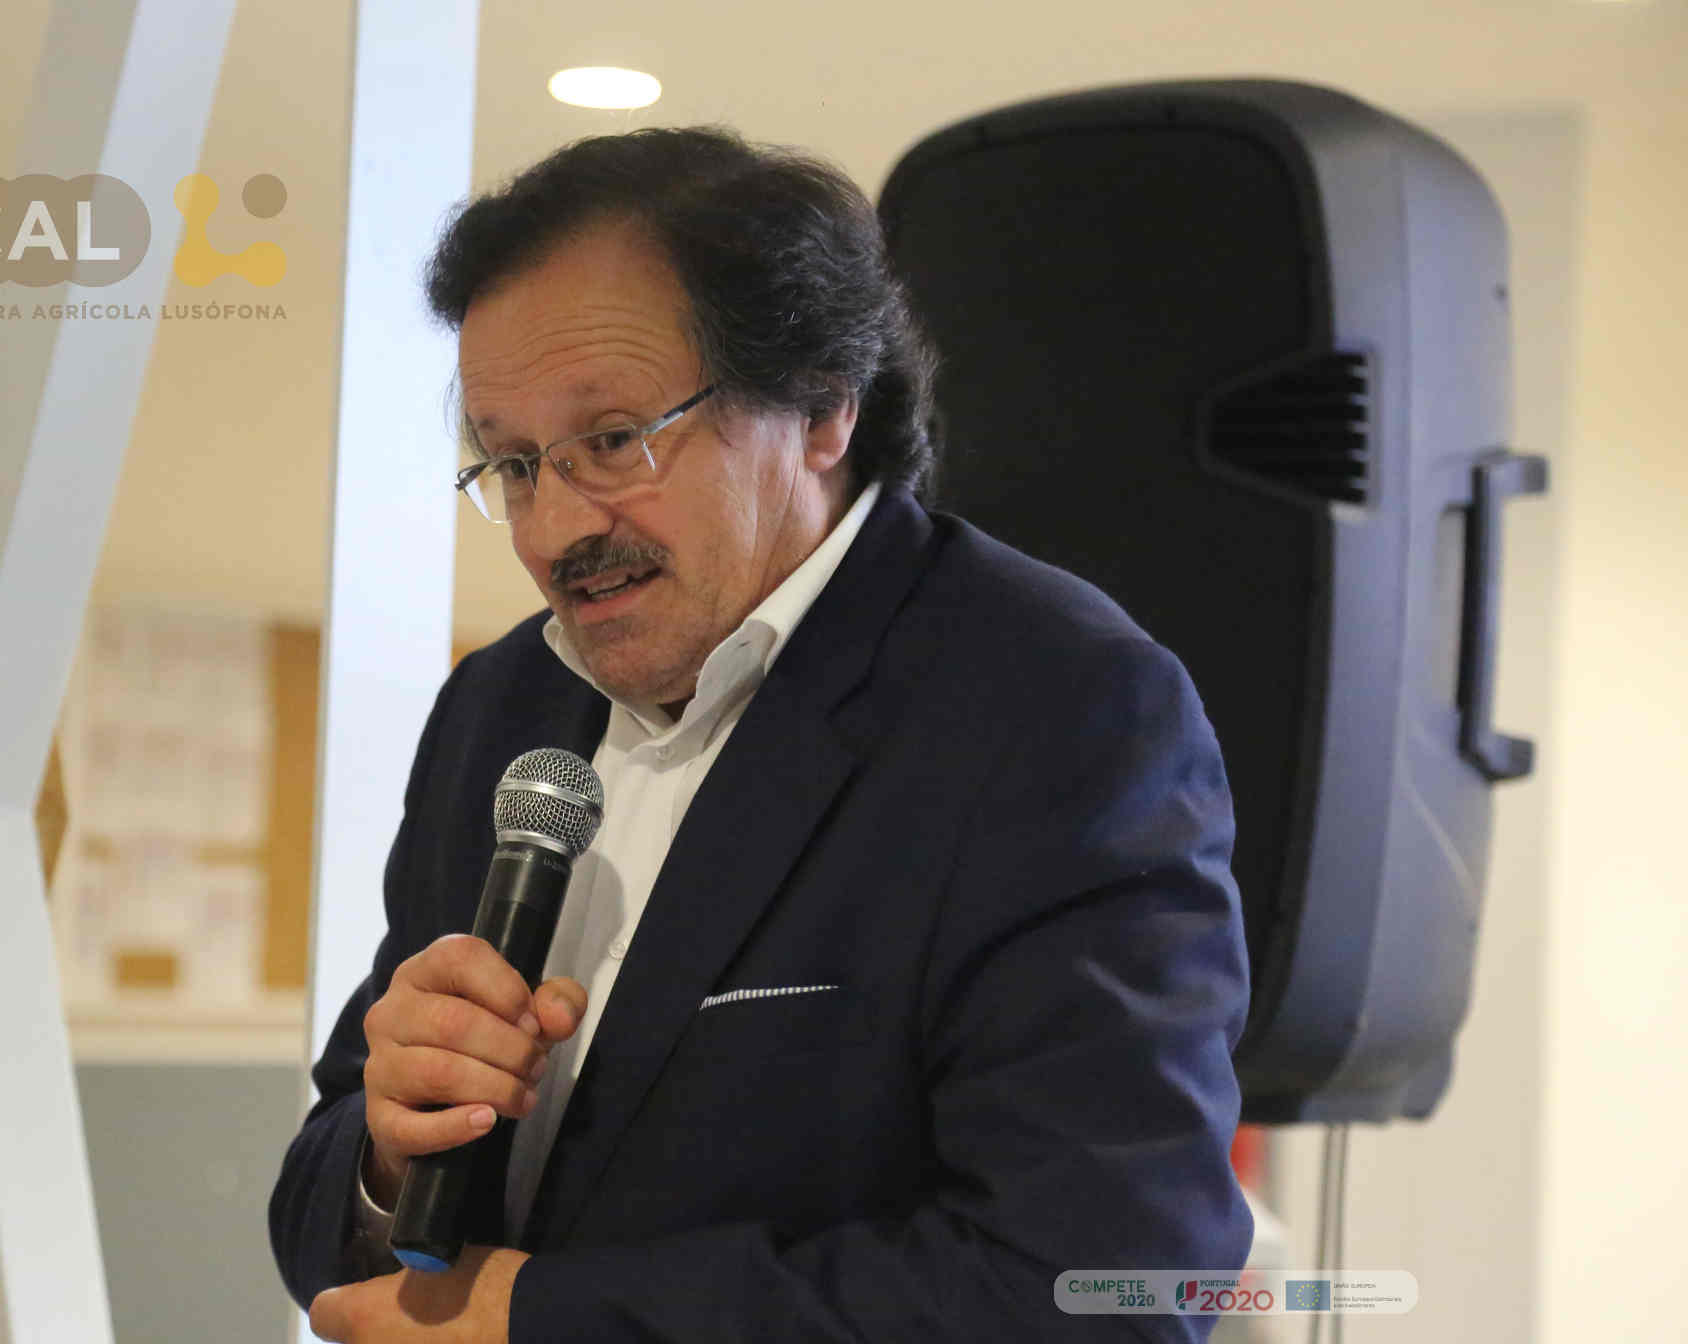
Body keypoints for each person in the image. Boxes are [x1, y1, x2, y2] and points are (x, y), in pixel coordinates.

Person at [269, 126, 1253, 1342]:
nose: (556, 527)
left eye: (613, 440)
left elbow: (1111, 1284)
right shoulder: (500, 706)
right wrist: (385, 1153)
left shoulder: (1056, 705)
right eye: (514, 464)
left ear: (824, 405)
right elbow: (318, 1226)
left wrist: (555, 1323)